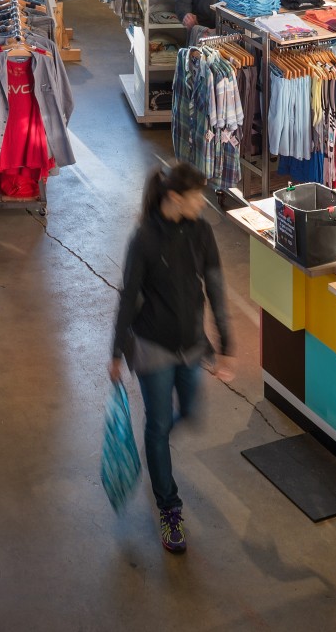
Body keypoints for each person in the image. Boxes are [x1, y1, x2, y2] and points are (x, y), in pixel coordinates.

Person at [110, 161, 234, 555]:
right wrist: (116, 352)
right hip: (154, 347)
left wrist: (226, 342)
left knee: (192, 411)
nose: (204, 203)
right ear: (176, 198)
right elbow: (128, 296)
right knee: (160, 423)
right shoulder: (144, 239)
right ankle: (169, 508)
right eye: (198, 196)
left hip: (191, 343)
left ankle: (156, 442)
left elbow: (214, 286)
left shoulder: (201, 233)